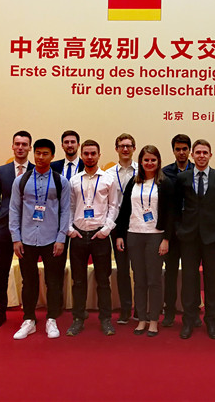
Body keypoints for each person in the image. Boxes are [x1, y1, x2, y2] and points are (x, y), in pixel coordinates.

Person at [9, 138, 70, 340]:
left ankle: (52, 318)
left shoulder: (61, 181)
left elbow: (66, 211)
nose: (41, 157)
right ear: (33, 154)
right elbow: (14, 209)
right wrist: (16, 238)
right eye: (38, 153)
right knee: (29, 281)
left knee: (53, 281)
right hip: (26, 238)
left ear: (52, 156)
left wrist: (61, 238)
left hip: (52, 239)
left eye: (45, 154)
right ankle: (29, 320)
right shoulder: (21, 180)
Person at [115, 145, 174, 337]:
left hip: (155, 235)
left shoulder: (165, 183)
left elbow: (170, 214)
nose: (149, 163)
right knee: (139, 280)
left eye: (153, 160)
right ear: (140, 162)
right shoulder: (133, 182)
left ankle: (154, 320)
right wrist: (120, 235)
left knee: (154, 280)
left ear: (158, 162)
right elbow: (124, 211)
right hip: (134, 235)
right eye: (146, 160)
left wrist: (166, 239)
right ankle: (141, 319)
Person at [175, 140, 215, 339]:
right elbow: (175, 207)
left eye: (205, 152)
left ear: (210, 155)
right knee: (189, 281)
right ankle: (189, 321)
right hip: (188, 238)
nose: (201, 156)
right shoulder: (182, 177)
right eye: (198, 152)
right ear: (192, 155)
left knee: (211, 282)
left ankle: (211, 322)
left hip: (212, 238)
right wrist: (179, 230)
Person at [66, 139, 118, 337]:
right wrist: (70, 230)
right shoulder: (74, 180)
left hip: (100, 236)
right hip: (78, 235)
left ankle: (106, 320)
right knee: (78, 281)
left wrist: (107, 229)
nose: (89, 157)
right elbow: (70, 207)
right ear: (81, 155)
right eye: (86, 153)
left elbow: (114, 206)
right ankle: (78, 319)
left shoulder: (108, 179)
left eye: (93, 153)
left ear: (99, 155)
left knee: (103, 281)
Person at [0, 130, 33, 329]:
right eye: (17, 144)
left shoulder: (37, 171)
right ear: (12, 146)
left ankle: (29, 314)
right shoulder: (1, 171)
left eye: (24, 144)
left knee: (28, 274)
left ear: (30, 148)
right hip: (3, 228)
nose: (20, 147)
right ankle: (0, 311)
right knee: (2, 271)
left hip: (29, 229)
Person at [161, 134, 197, 327]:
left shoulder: (198, 171)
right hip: (172, 231)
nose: (181, 152)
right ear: (173, 151)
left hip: (192, 232)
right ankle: (169, 311)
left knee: (191, 274)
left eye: (184, 149)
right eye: (178, 149)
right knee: (171, 273)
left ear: (189, 151)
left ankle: (192, 312)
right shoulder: (165, 173)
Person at [106, 133, 138, 324]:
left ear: (134, 148)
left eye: (128, 146)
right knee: (123, 269)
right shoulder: (108, 174)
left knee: (140, 270)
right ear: (116, 149)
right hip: (117, 227)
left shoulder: (143, 170)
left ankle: (140, 308)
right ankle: (126, 309)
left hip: (139, 226)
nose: (125, 149)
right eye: (121, 146)